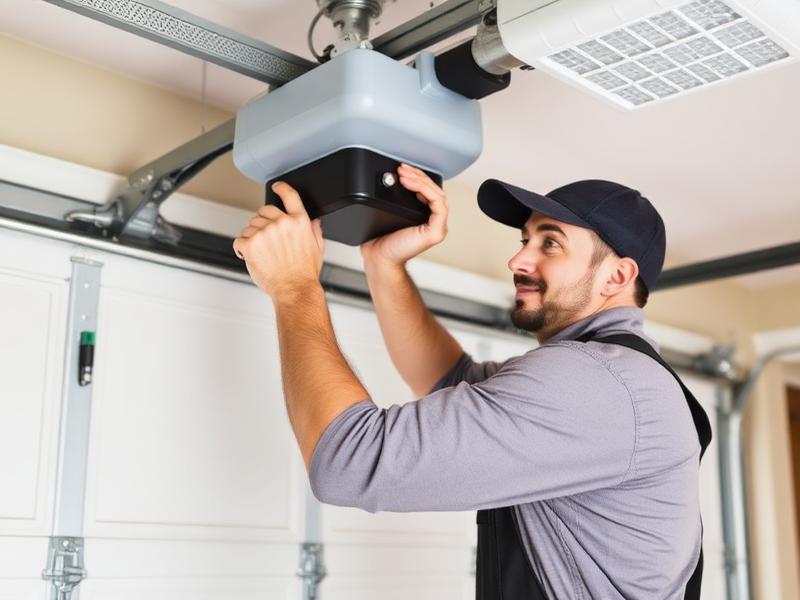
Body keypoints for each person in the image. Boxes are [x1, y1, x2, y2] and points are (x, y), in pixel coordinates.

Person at [233, 163, 711, 599]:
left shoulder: (598, 383)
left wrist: (294, 288)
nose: (518, 261)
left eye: (550, 243)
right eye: (525, 240)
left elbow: (348, 462)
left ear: (616, 277)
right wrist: (384, 263)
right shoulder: (620, 377)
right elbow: (451, 380)